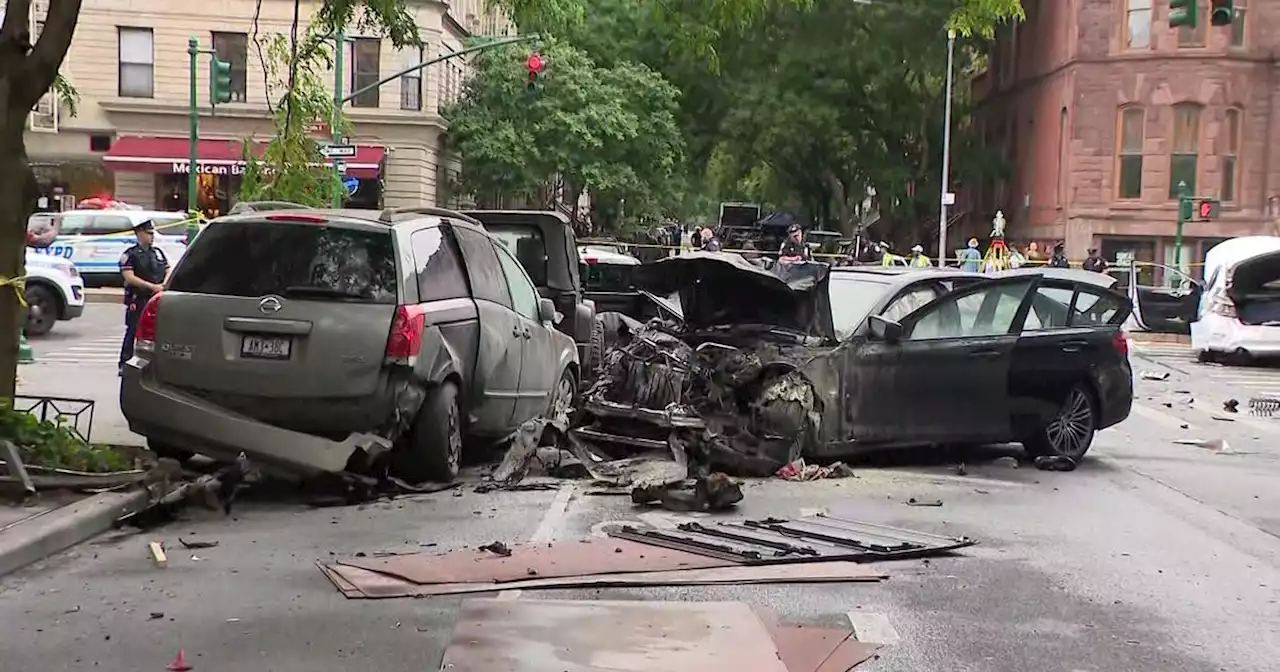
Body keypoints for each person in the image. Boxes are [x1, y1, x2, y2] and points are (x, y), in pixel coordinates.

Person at [118, 219, 170, 375]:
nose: (151, 236)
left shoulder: (157, 252)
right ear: (139, 234)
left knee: (157, 331)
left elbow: (168, 269)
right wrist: (151, 287)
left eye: (152, 233)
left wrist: (163, 285)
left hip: (157, 297)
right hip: (139, 297)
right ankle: (124, 362)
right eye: (148, 233)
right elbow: (129, 277)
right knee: (133, 330)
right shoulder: (130, 254)